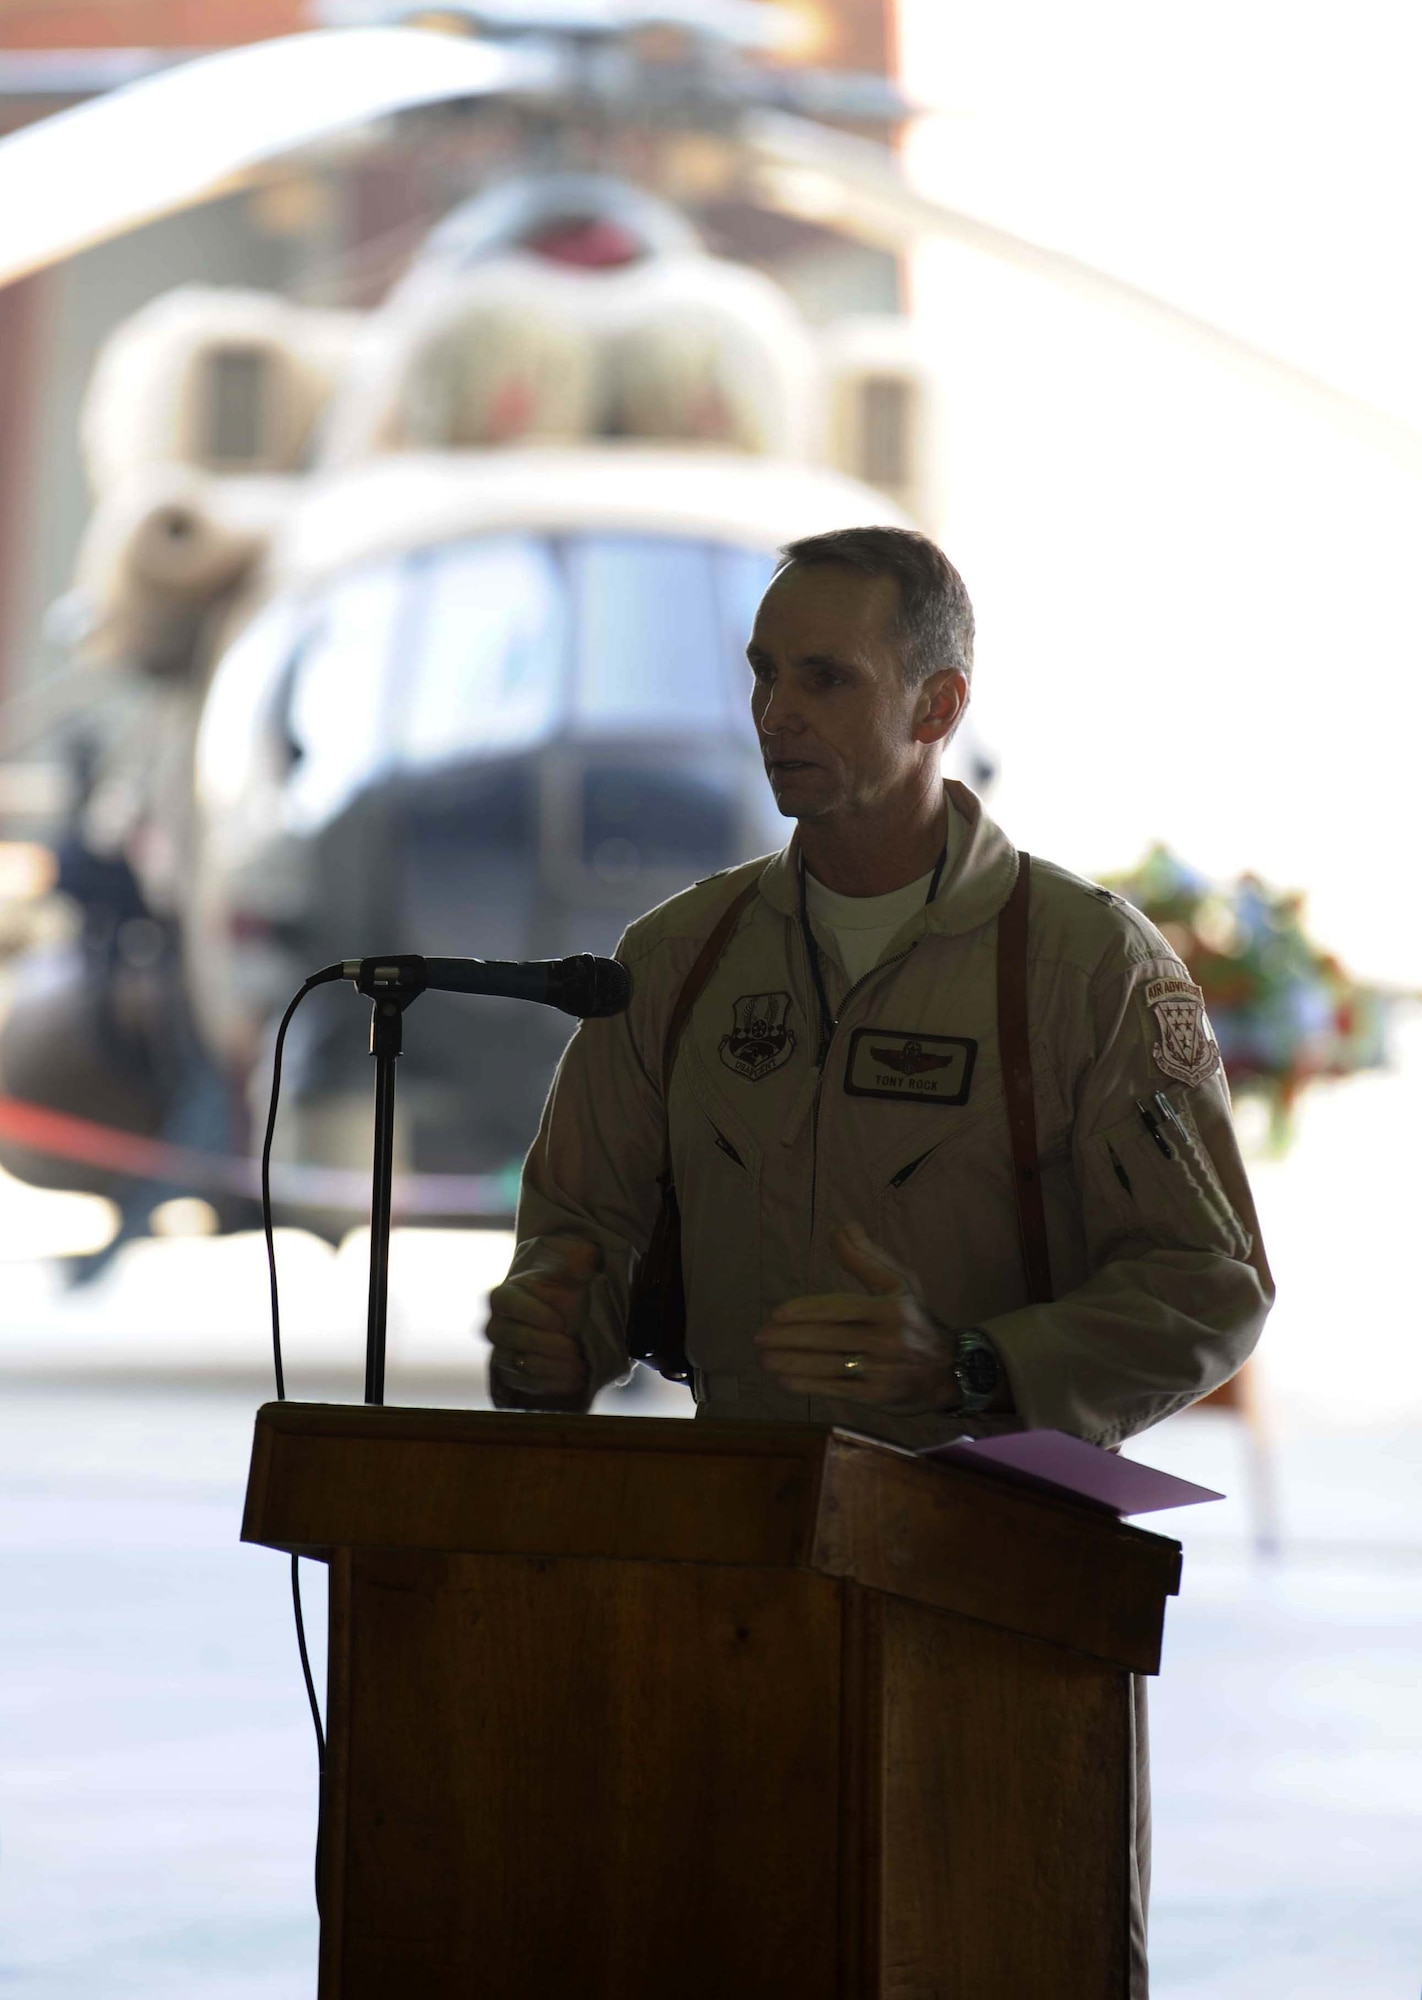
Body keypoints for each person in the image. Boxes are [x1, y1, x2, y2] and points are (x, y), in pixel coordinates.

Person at [483, 524, 1274, 1997]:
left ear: (934, 708)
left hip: (993, 1589)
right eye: (764, 674)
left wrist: (972, 1365)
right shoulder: (676, 960)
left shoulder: (1082, 966)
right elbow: (579, 1232)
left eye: (825, 680)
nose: (776, 712)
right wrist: (553, 1333)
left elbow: (1209, 1286)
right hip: (728, 1584)